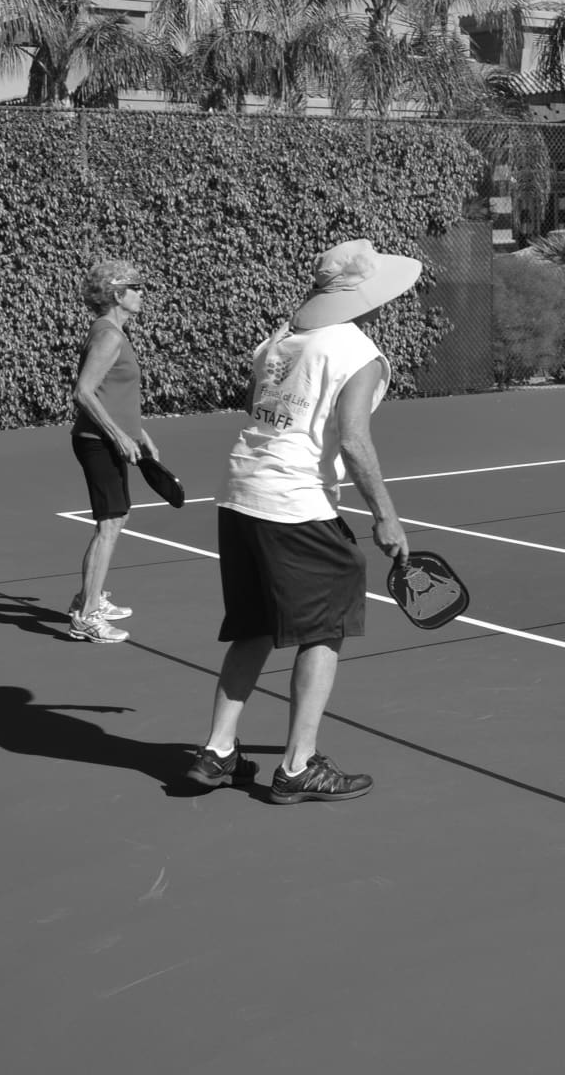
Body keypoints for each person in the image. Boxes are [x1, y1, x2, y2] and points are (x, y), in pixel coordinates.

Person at [186, 240, 418, 801]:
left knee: (255, 626)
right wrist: (386, 517)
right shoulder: (359, 352)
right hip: (295, 503)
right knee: (326, 626)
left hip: (240, 492)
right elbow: (356, 440)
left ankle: (218, 751)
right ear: (370, 298)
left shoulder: (279, 338)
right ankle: (297, 766)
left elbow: (254, 407)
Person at [65, 260, 160, 645]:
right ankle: (86, 616)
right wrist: (120, 436)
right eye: (135, 288)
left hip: (109, 438)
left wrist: (139, 433)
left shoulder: (113, 331)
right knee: (109, 523)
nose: (142, 293)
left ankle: (88, 598)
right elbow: (84, 392)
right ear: (117, 295)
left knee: (114, 520)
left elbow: (112, 394)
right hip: (97, 443)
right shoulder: (109, 335)